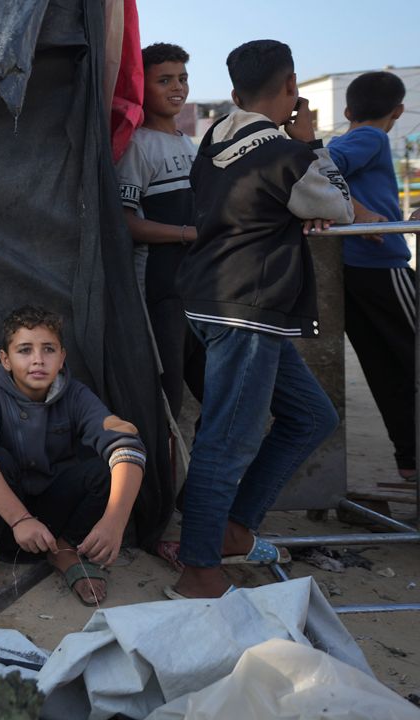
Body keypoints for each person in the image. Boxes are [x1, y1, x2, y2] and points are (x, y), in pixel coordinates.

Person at [170, 40, 354, 599]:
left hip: (211, 300)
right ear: (292, 86)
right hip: (247, 310)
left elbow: (255, 206)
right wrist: (312, 145)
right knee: (228, 440)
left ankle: (231, 528)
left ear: (233, 94)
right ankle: (198, 569)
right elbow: (339, 207)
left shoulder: (215, 136)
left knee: (311, 416)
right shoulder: (287, 154)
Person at [0, 306, 145, 607]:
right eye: (25, 350)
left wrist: (115, 521)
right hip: (1, 513)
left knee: (103, 470)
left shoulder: (76, 395)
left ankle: (64, 551)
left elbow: (126, 443)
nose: (38, 360)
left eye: (48, 350)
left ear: (62, 357)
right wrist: (20, 518)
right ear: (5, 360)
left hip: (52, 513)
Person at [327, 71, 414, 482]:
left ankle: (409, 460)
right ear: (397, 111)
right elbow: (323, 169)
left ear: (347, 110)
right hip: (383, 266)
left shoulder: (340, 139)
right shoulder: (372, 138)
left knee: (385, 370)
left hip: (353, 272)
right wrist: (361, 214)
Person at [115, 42, 205, 421]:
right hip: (158, 293)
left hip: (198, 292)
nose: (177, 88)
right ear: (142, 88)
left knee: (219, 397)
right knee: (165, 404)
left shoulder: (192, 144)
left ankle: (201, 482)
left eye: (182, 78)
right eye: (164, 80)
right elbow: (126, 223)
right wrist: (189, 234)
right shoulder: (136, 147)